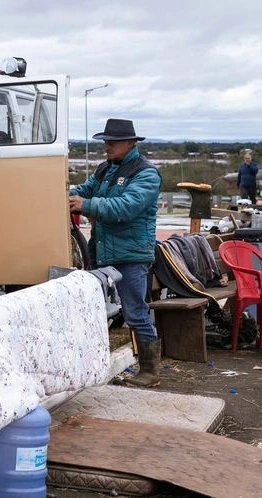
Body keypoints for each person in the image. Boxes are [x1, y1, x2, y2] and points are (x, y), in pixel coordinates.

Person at [69, 118, 163, 387]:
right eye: (105, 141)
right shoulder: (105, 170)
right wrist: (65, 194)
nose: (107, 146)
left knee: (135, 312)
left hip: (131, 255)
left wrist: (84, 204)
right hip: (104, 252)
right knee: (97, 309)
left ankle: (150, 371)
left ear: (131, 143)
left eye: (112, 142)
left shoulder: (146, 173)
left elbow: (125, 207)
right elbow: (84, 190)